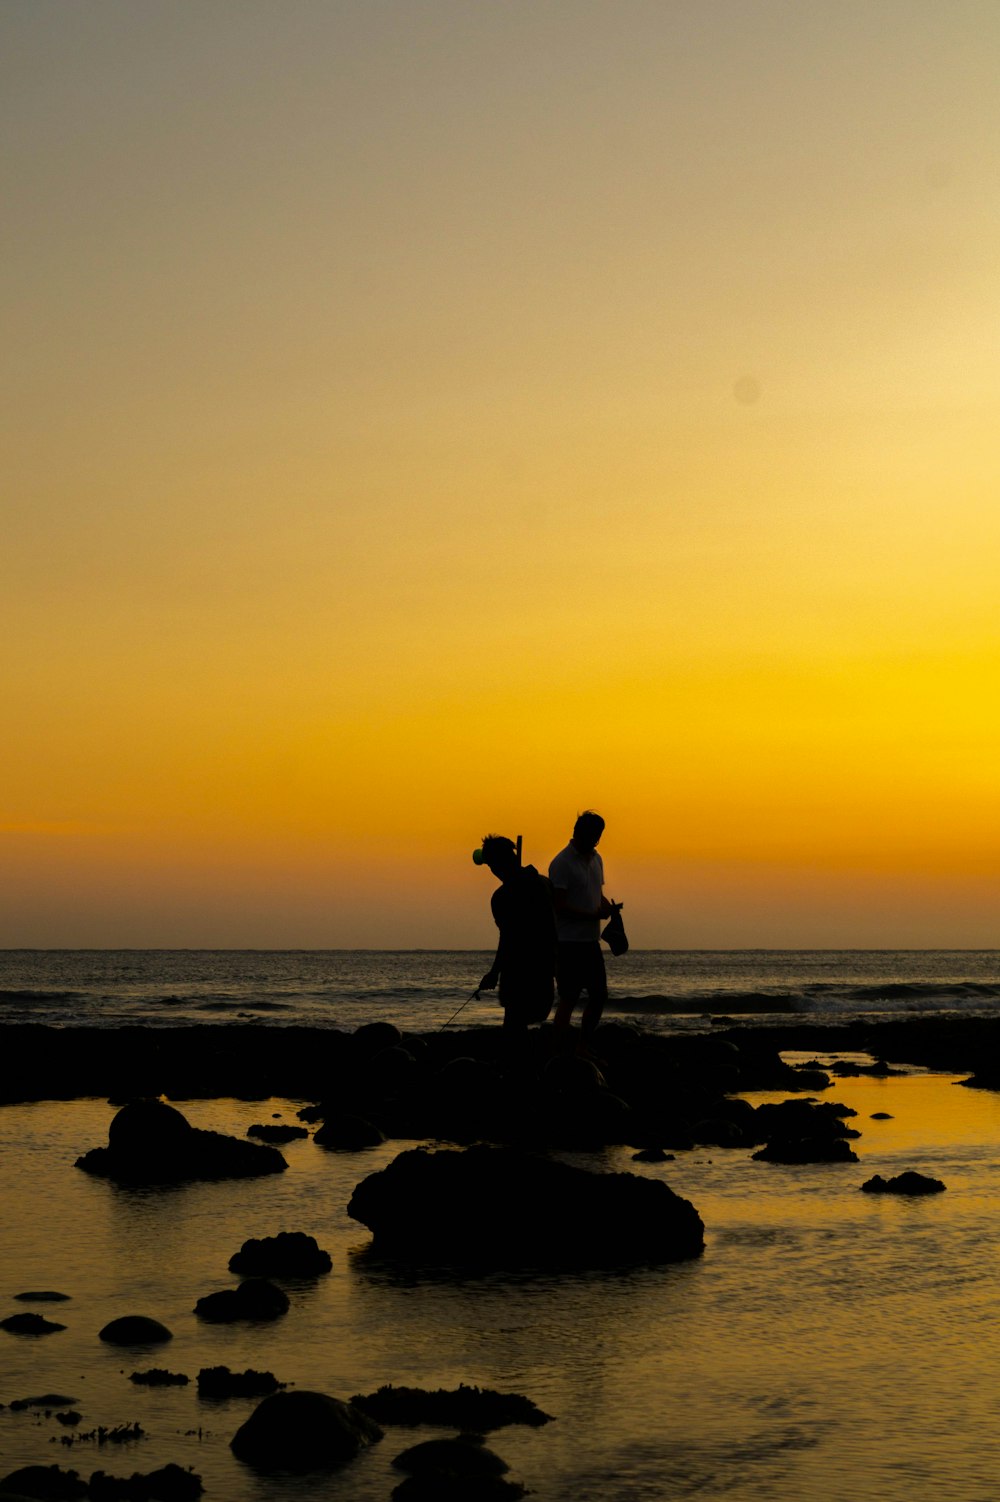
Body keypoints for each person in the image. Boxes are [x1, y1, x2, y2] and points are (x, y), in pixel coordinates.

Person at [476, 835, 556, 1034]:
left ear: (494, 866)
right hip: (545, 965)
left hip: (519, 970)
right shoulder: (544, 883)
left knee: (514, 1022)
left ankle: (514, 1062)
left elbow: (509, 938)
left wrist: (494, 972)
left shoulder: (502, 897)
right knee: (529, 1017)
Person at [548, 811, 613, 1049]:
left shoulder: (597, 859)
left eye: (598, 837)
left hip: (590, 942)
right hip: (567, 943)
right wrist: (593, 915)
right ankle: (558, 1049)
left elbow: (596, 894)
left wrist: (607, 908)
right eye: (593, 836)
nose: (595, 841)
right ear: (578, 832)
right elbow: (560, 905)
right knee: (569, 998)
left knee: (599, 996)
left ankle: (583, 1045)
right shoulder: (562, 863)